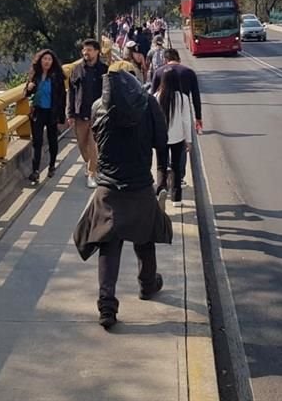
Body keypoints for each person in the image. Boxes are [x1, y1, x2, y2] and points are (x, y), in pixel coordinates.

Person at [73, 70, 172, 329]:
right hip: (140, 183)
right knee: (144, 237)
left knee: (108, 243)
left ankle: (107, 306)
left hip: (108, 186)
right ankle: (147, 285)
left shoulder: (97, 106)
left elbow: (97, 141)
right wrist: (163, 174)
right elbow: (161, 140)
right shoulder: (148, 103)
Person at [67, 39, 108, 188]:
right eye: (84, 50)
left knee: (93, 144)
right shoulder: (76, 69)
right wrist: (70, 113)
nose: (86, 52)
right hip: (80, 112)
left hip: (98, 114)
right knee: (82, 144)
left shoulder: (104, 69)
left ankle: (92, 173)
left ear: (97, 51)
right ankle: (89, 162)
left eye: (89, 50)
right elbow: (71, 92)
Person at [24, 49, 67, 183]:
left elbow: (62, 97)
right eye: (44, 59)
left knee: (52, 139)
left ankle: (52, 166)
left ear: (53, 61)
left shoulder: (57, 76)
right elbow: (26, 93)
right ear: (40, 60)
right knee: (37, 141)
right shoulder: (34, 75)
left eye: (49, 59)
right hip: (38, 112)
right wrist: (29, 88)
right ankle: (35, 171)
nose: (47, 61)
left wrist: (62, 115)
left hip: (52, 112)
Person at [155, 67, 192, 203]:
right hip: (178, 137)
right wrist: (189, 140)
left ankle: (161, 189)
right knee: (176, 166)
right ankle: (176, 198)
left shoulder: (157, 96)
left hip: (161, 138)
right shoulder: (183, 98)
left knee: (161, 165)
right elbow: (186, 121)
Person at [151, 48, 203, 134]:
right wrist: (198, 117)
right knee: (189, 137)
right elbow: (195, 96)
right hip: (183, 108)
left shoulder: (158, 72)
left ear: (165, 60)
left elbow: (152, 97)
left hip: (163, 111)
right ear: (179, 59)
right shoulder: (189, 72)